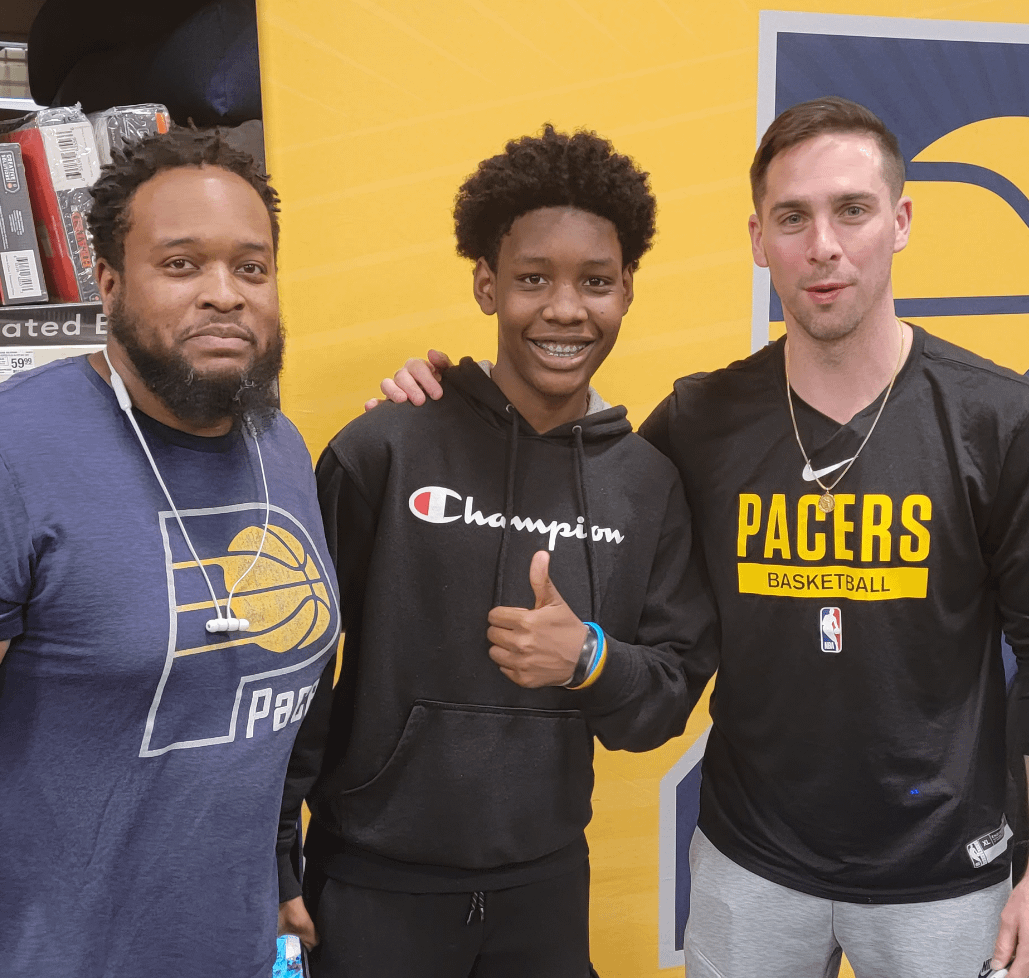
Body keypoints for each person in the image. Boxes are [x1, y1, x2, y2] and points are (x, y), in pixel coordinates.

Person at [378, 97, 1029, 978]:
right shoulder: (700, 419)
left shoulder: (998, 418)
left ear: (901, 222)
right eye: (793, 218)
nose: (823, 246)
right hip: (750, 864)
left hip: (945, 874)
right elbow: (567, 481)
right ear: (759, 239)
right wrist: (445, 413)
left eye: (852, 210)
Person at [275, 125, 718, 977]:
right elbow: (295, 669)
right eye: (532, 279)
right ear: (487, 284)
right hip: (371, 883)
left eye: (595, 281)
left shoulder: (647, 484)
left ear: (627, 289)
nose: (565, 309)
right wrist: (274, 855)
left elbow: (662, 702)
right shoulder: (385, 450)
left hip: (544, 890)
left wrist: (588, 659)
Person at [0, 128, 339, 978]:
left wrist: (277, 876)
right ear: (110, 281)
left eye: (251, 267)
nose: (224, 295)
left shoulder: (280, 448)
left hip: (236, 952)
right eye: (181, 264)